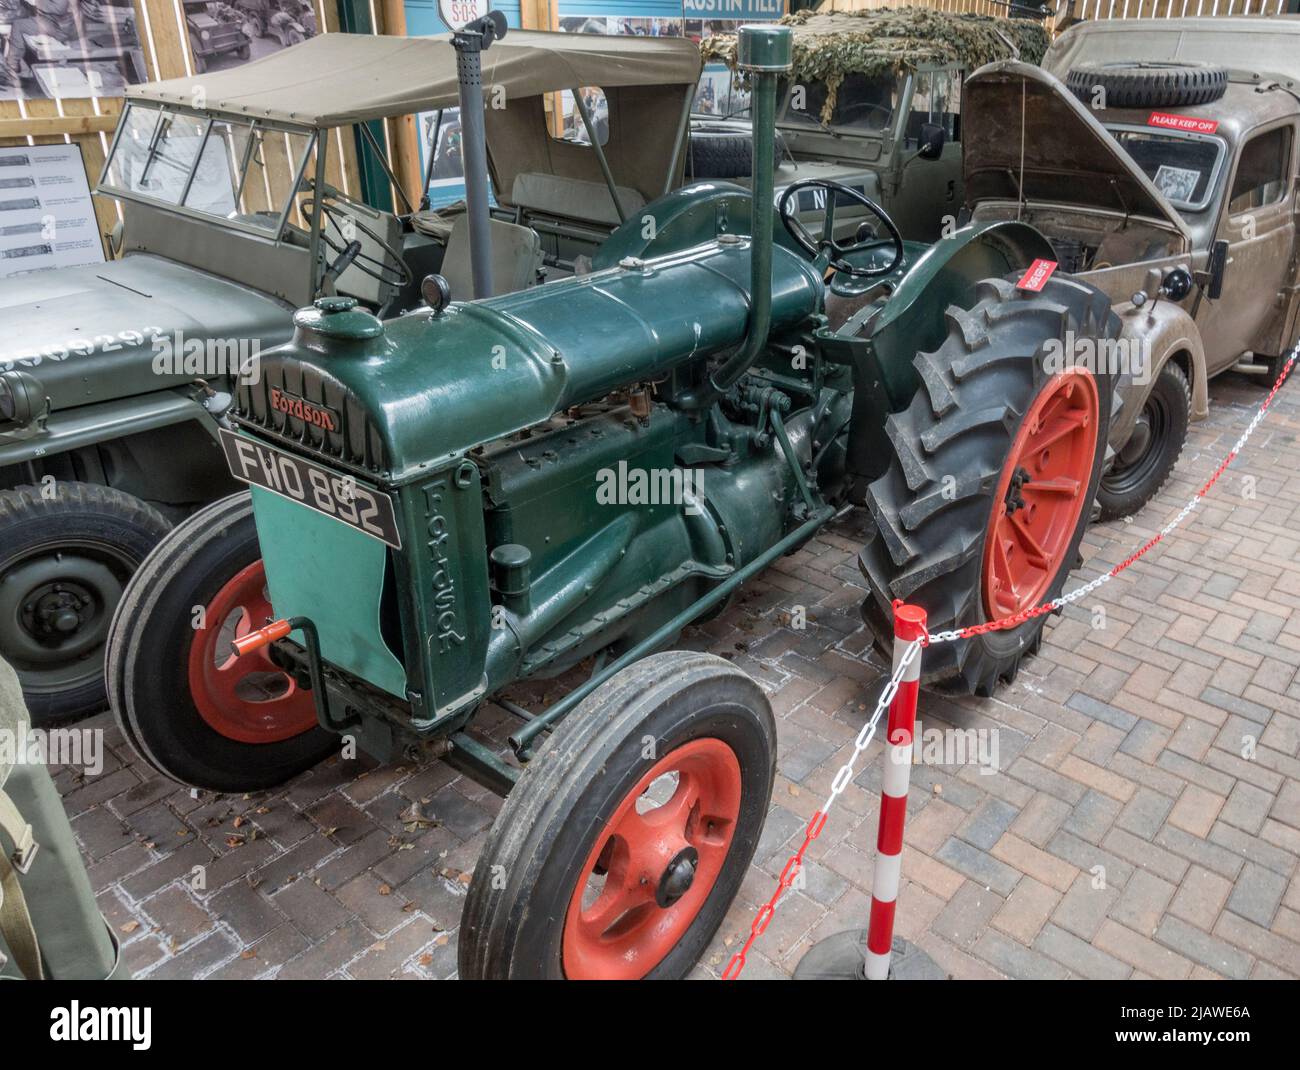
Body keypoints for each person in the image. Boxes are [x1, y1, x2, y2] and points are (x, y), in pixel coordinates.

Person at [0, 0, 77, 91]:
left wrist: (36, 2)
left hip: (59, 26)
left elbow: (60, 8)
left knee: (19, 24)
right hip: (51, 20)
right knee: (19, 23)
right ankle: (11, 69)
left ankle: (11, 69)